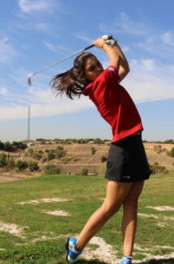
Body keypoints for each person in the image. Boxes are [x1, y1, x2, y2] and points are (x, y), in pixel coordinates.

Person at [50, 36, 151, 264]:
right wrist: (104, 45)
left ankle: (126, 258)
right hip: (123, 149)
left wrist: (114, 44)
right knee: (110, 207)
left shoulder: (108, 82)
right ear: (86, 76)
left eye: (98, 64)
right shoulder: (101, 85)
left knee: (132, 204)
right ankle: (77, 246)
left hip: (135, 144)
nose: (99, 67)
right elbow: (114, 61)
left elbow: (124, 66)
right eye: (93, 68)